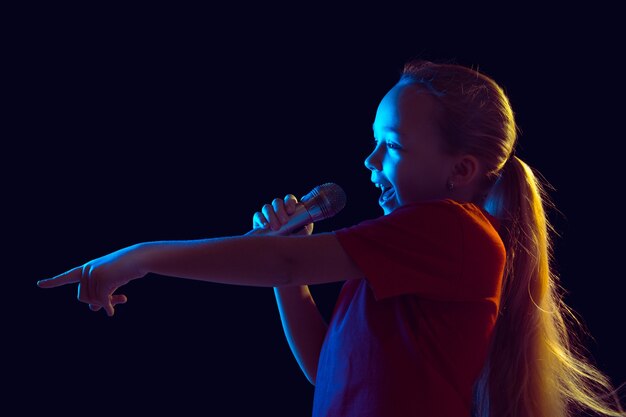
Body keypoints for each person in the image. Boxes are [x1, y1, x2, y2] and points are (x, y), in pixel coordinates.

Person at [38, 60, 625, 417]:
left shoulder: (454, 231)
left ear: (461, 170)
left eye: (391, 145)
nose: (369, 160)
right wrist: (285, 275)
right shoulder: (395, 254)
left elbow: (289, 261)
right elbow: (329, 369)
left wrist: (138, 258)